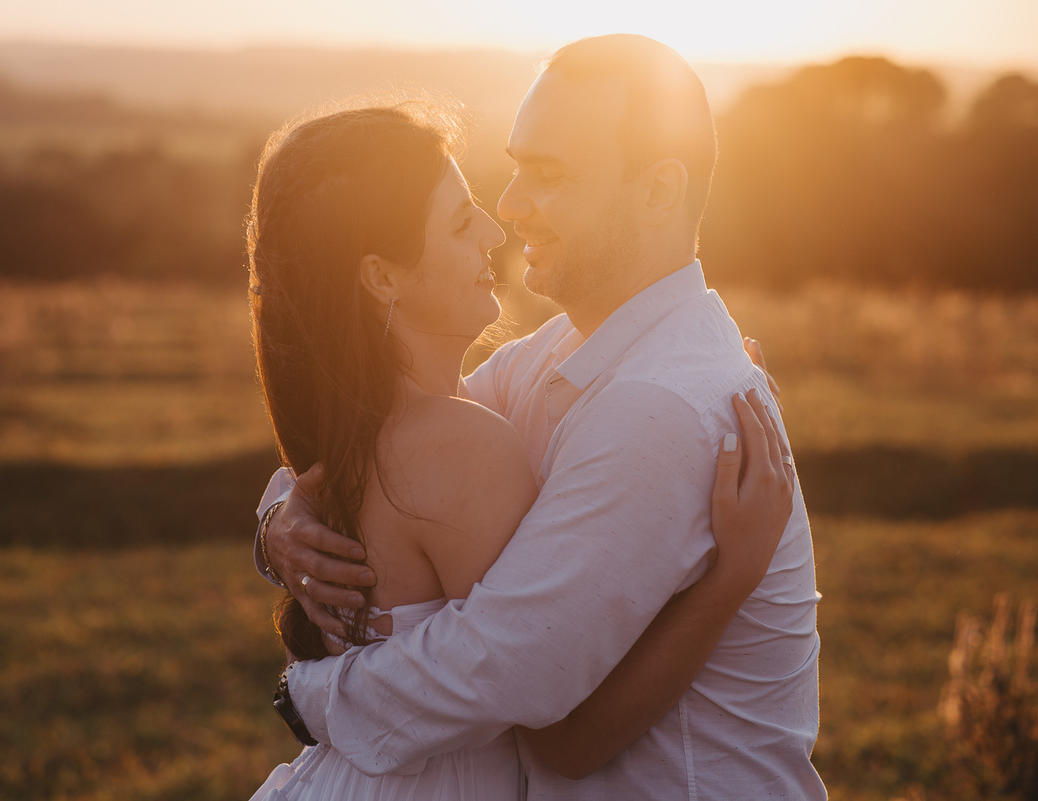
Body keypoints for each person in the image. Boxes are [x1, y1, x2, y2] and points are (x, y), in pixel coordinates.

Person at [256, 34, 825, 799]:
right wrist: (277, 525)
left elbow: (507, 672)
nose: (510, 206)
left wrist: (310, 694)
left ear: (658, 191)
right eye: (517, 165)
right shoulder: (564, 354)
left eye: (548, 175)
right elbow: (387, 453)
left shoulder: (661, 406)